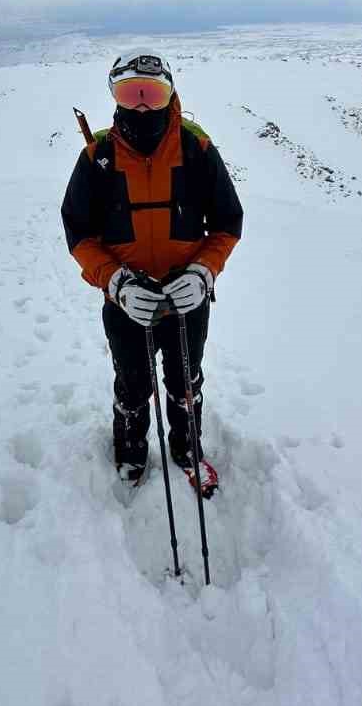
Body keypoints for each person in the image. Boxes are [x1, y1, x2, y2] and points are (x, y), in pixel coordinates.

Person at [60, 47, 244, 494]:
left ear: (171, 93)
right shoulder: (96, 157)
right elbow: (79, 232)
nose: (142, 103)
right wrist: (116, 281)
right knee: (133, 382)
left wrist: (202, 273)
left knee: (186, 378)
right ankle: (131, 449)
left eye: (153, 94)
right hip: (126, 299)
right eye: (130, 92)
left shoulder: (197, 148)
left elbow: (227, 221)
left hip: (187, 295)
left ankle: (186, 446)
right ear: (114, 96)